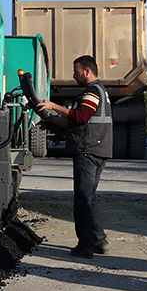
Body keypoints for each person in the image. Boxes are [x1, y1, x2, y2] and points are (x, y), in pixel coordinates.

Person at [37, 55, 113, 258]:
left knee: (82, 200)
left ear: (87, 71)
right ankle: (99, 240)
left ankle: (85, 246)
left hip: (88, 150)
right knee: (90, 197)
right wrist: (50, 117)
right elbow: (76, 122)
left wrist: (54, 105)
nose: (74, 75)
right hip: (98, 148)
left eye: (76, 71)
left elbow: (80, 116)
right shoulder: (98, 91)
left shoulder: (93, 91)